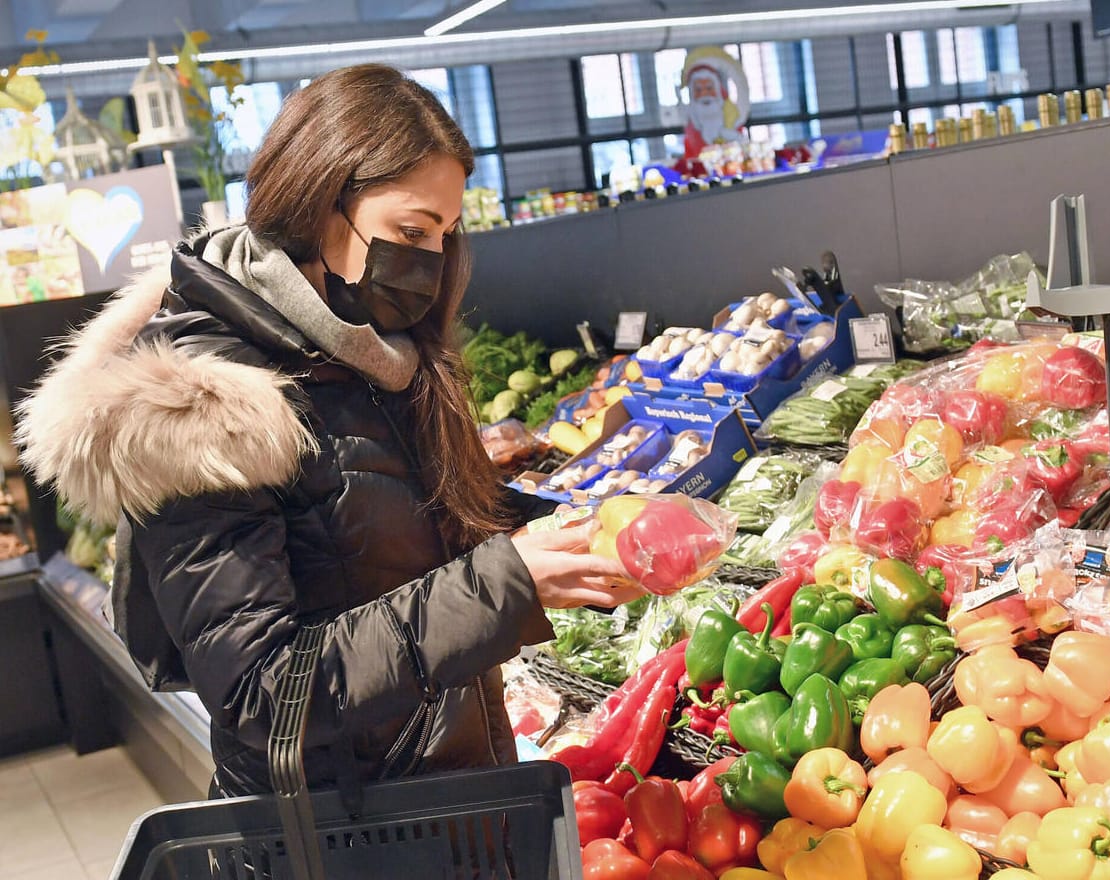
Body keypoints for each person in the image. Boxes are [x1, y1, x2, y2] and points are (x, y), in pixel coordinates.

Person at [15, 64, 643, 797]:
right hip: (342, 832)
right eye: (411, 231)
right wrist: (506, 584)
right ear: (319, 203)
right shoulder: (203, 403)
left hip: (443, 794)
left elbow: (393, 529)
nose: (432, 262)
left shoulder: (373, 351)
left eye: (445, 232)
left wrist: (574, 533)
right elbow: (260, 693)